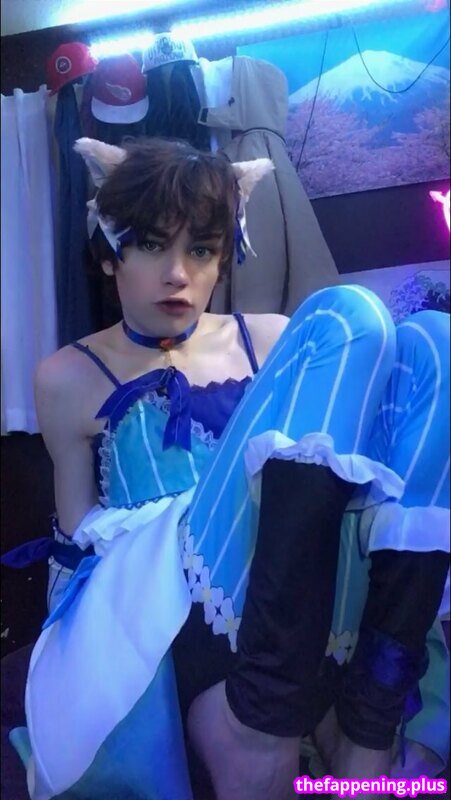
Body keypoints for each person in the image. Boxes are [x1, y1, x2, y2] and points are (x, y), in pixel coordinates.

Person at [6, 137, 449, 800]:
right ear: (109, 252)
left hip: (297, 581)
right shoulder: (67, 376)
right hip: (169, 598)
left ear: (225, 255)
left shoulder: (269, 338)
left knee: (439, 343)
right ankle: (264, 719)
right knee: (345, 312)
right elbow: (76, 543)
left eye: (201, 249)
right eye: (151, 244)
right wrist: (73, 679)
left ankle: (366, 724)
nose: (177, 273)